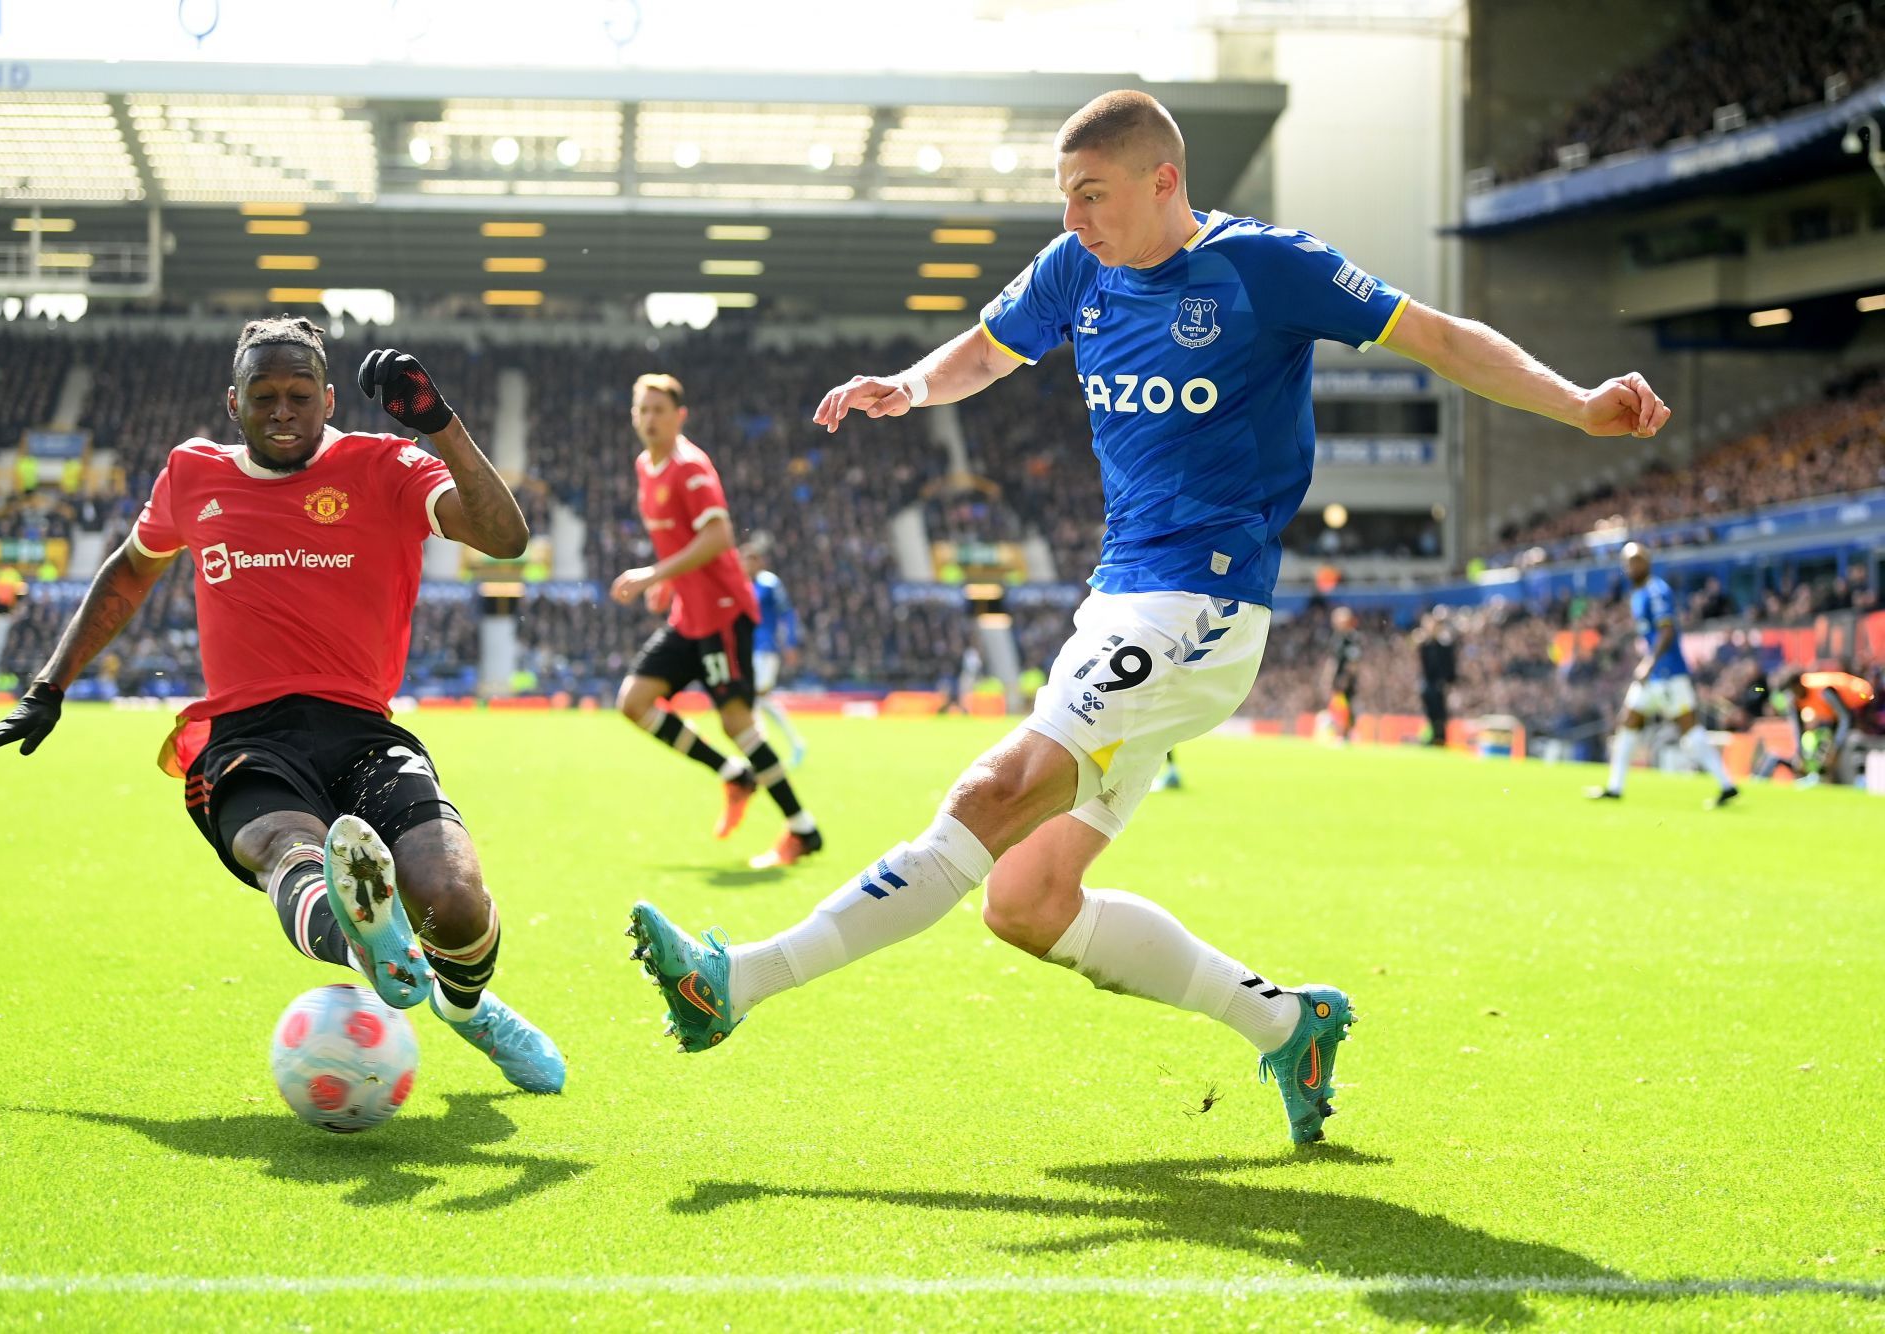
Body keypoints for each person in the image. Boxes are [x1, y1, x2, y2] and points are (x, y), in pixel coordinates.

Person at [626, 89, 1676, 1146]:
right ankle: (1287, 1021)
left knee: (991, 790)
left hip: (1208, 601)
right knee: (1027, 902)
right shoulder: (1076, 265)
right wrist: (907, 384)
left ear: (1163, 182)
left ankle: (737, 981)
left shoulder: (1266, 268)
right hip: (1120, 600)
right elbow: (990, 347)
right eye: (1065, 199)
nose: (1074, 219)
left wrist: (1579, 401)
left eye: (1093, 195)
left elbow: (1437, 337)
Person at [0, 320, 564, 1093]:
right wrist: (48, 688)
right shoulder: (192, 474)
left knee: (453, 899)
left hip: (362, 734)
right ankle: (365, 947)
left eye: (299, 395)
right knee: (290, 848)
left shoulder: (385, 464)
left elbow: (504, 537)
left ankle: (468, 1007)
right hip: (246, 738)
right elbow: (128, 571)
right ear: (233, 402)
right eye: (265, 396)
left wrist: (438, 424)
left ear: (326, 400)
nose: (283, 411)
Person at [610, 374, 822, 869]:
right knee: (634, 702)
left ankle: (802, 829)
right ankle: (733, 773)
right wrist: (668, 582)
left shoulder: (689, 466)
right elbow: (679, 540)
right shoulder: (646, 466)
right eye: (643, 410)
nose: (650, 419)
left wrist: (652, 574)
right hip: (690, 615)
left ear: (680, 416)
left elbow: (721, 535)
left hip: (724, 614)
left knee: (738, 724)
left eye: (660, 410)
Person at [1585, 542, 1739, 807]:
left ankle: (1726, 784)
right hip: (1656, 675)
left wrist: (1649, 663)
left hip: (1668, 673)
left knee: (1689, 729)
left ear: (1647, 562)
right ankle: (1615, 787)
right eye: (1627, 562)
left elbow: (1667, 631)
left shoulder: (1656, 591)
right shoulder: (1638, 594)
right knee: (1628, 722)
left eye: (1635, 560)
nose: (1630, 566)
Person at [740, 536, 806, 769]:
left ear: (760, 561)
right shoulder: (743, 585)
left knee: (755, 699)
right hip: (749, 649)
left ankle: (762, 752)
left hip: (766, 650)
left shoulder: (770, 584)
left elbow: (787, 613)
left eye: (752, 559)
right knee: (759, 700)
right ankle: (790, 745)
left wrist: (790, 643)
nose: (747, 564)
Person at [1755, 665, 1875, 786]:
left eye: (1791, 692)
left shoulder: (1823, 691)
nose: (1790, 697)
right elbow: (1798, 727)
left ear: (1797, 686)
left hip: (1863, 699)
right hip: (1836, 713)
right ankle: (1818, 777)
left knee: (1849, 741)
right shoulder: (1794, 698)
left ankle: (1860, 780)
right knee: (1820, 741)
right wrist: (1799, 754)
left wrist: (1836, 747)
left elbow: (1845, 717)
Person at [1415, 606, 1458, 746]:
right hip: (1428, 682)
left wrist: (1448, 680)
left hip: (1440, 683)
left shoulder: (1444, 644)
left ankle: (1441, 737)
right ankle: (1434, 736)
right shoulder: (1425, 644)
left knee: (1440, 711)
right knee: (1431, 710)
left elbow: (1449, 665)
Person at [1324, 605, 1361, 742]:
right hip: (1338, 678)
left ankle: (1345, 734)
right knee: (1337, 706)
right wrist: (1328, 677)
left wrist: (1345, 678)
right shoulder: (1337, 637)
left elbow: (1353, 661)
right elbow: (1333, 659)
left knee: (1346, 706)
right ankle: (1340, 734)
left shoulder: (1351, 637)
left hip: (1346, 680)